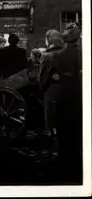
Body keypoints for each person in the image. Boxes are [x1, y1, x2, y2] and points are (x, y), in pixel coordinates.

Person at [52, 24, 82, 176]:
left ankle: (63, 153)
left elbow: (54, 75)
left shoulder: (58, 55)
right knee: (77, 123)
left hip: (64, 92)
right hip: (78, 91)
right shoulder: (82, 53)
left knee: (63, 123)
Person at [38, 30, 64, 137]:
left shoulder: (47, 55)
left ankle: (50, 132)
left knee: (50, 111)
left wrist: (41, 87)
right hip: (67, 87)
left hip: (51, 88)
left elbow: (42, 75)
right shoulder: (66, 53)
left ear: (49, 40)